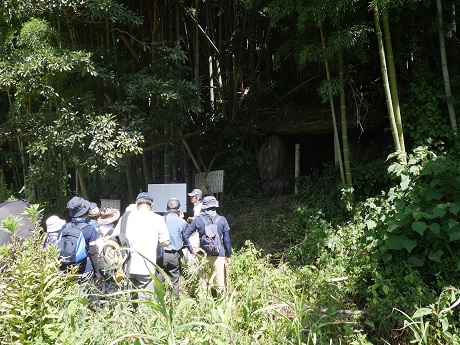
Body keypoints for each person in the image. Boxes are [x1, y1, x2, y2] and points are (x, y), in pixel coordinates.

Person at [115, 192, 170, 308]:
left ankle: (125, 323)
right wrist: (153, 243)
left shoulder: (125, 217)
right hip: (147, 266)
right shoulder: (158, 219)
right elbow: (166, 241)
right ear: (152, 205)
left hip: (126, 266)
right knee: (144, 303)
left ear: (136, 204)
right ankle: (143, 323)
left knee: (126, 301)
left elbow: (116, 239)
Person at [183, 196, 232, 295]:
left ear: (204, 207)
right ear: (215, 206)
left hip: (202, 255)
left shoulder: (198, 220)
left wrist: (191, 250)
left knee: (203, 282)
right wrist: (229, 256)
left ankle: (203, 303)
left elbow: (185, 235)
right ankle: (220, 305)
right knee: (220, 283)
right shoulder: (222, 220)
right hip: (219, 255)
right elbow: (227, 240)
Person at [61, 196, 102, 301]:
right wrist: (97, 273)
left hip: (65, 268)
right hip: (84, 269)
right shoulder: (90, 229)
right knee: (82, 298)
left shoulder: (65, 227)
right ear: (85, 213)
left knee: (68, 296)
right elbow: (93, 253)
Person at [157, 198, 187, 297]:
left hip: (160, 254)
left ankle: (159, 300)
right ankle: (174, 302)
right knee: (174, 279)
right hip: (174, 255)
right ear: (179, 209)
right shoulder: (182, 222)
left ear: (166, 208)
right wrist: (181, 219)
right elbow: (185, 236)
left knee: (160, 278)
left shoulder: (160, 220)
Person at [96, 207, 121, 304]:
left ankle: (96, 307)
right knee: (110, 285)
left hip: (98, 260)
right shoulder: (116, 231)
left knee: (97, 285)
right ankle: (108, 306)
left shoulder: (96, 229)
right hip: (110, 261)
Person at [183, 188, 203, 262]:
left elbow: (197, 218)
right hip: (196, 230)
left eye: (193, 196)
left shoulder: (199, 206)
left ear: (198, 197)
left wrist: (190, 218)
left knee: (193, 246)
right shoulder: (196, 205)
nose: (191, 198)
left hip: (197, 231)